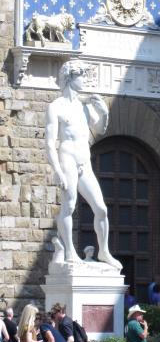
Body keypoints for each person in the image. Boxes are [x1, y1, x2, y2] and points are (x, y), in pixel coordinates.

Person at [45, 59, 120, 268]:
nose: (85, 80)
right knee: (69, 206)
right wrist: (57, 170)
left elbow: (100, 129)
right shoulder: (56, 107)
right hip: (67, 159)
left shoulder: (84, 107)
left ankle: (104, 252)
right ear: (70, 77)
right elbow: (49, 143)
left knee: (101, 209)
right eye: (82, 76)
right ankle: (70, 251)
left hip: (84, 162)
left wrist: (104, 112)